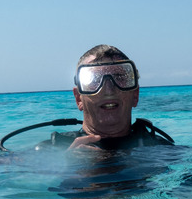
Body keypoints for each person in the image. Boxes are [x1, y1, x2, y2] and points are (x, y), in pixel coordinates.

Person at [35, 44, 174, 151]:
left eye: (119, 77)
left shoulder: (164, 152)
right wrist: (71, 167)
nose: (108, 90)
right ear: (78, 99)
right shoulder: (46, 152)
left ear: (135, 95)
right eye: (94, 79)